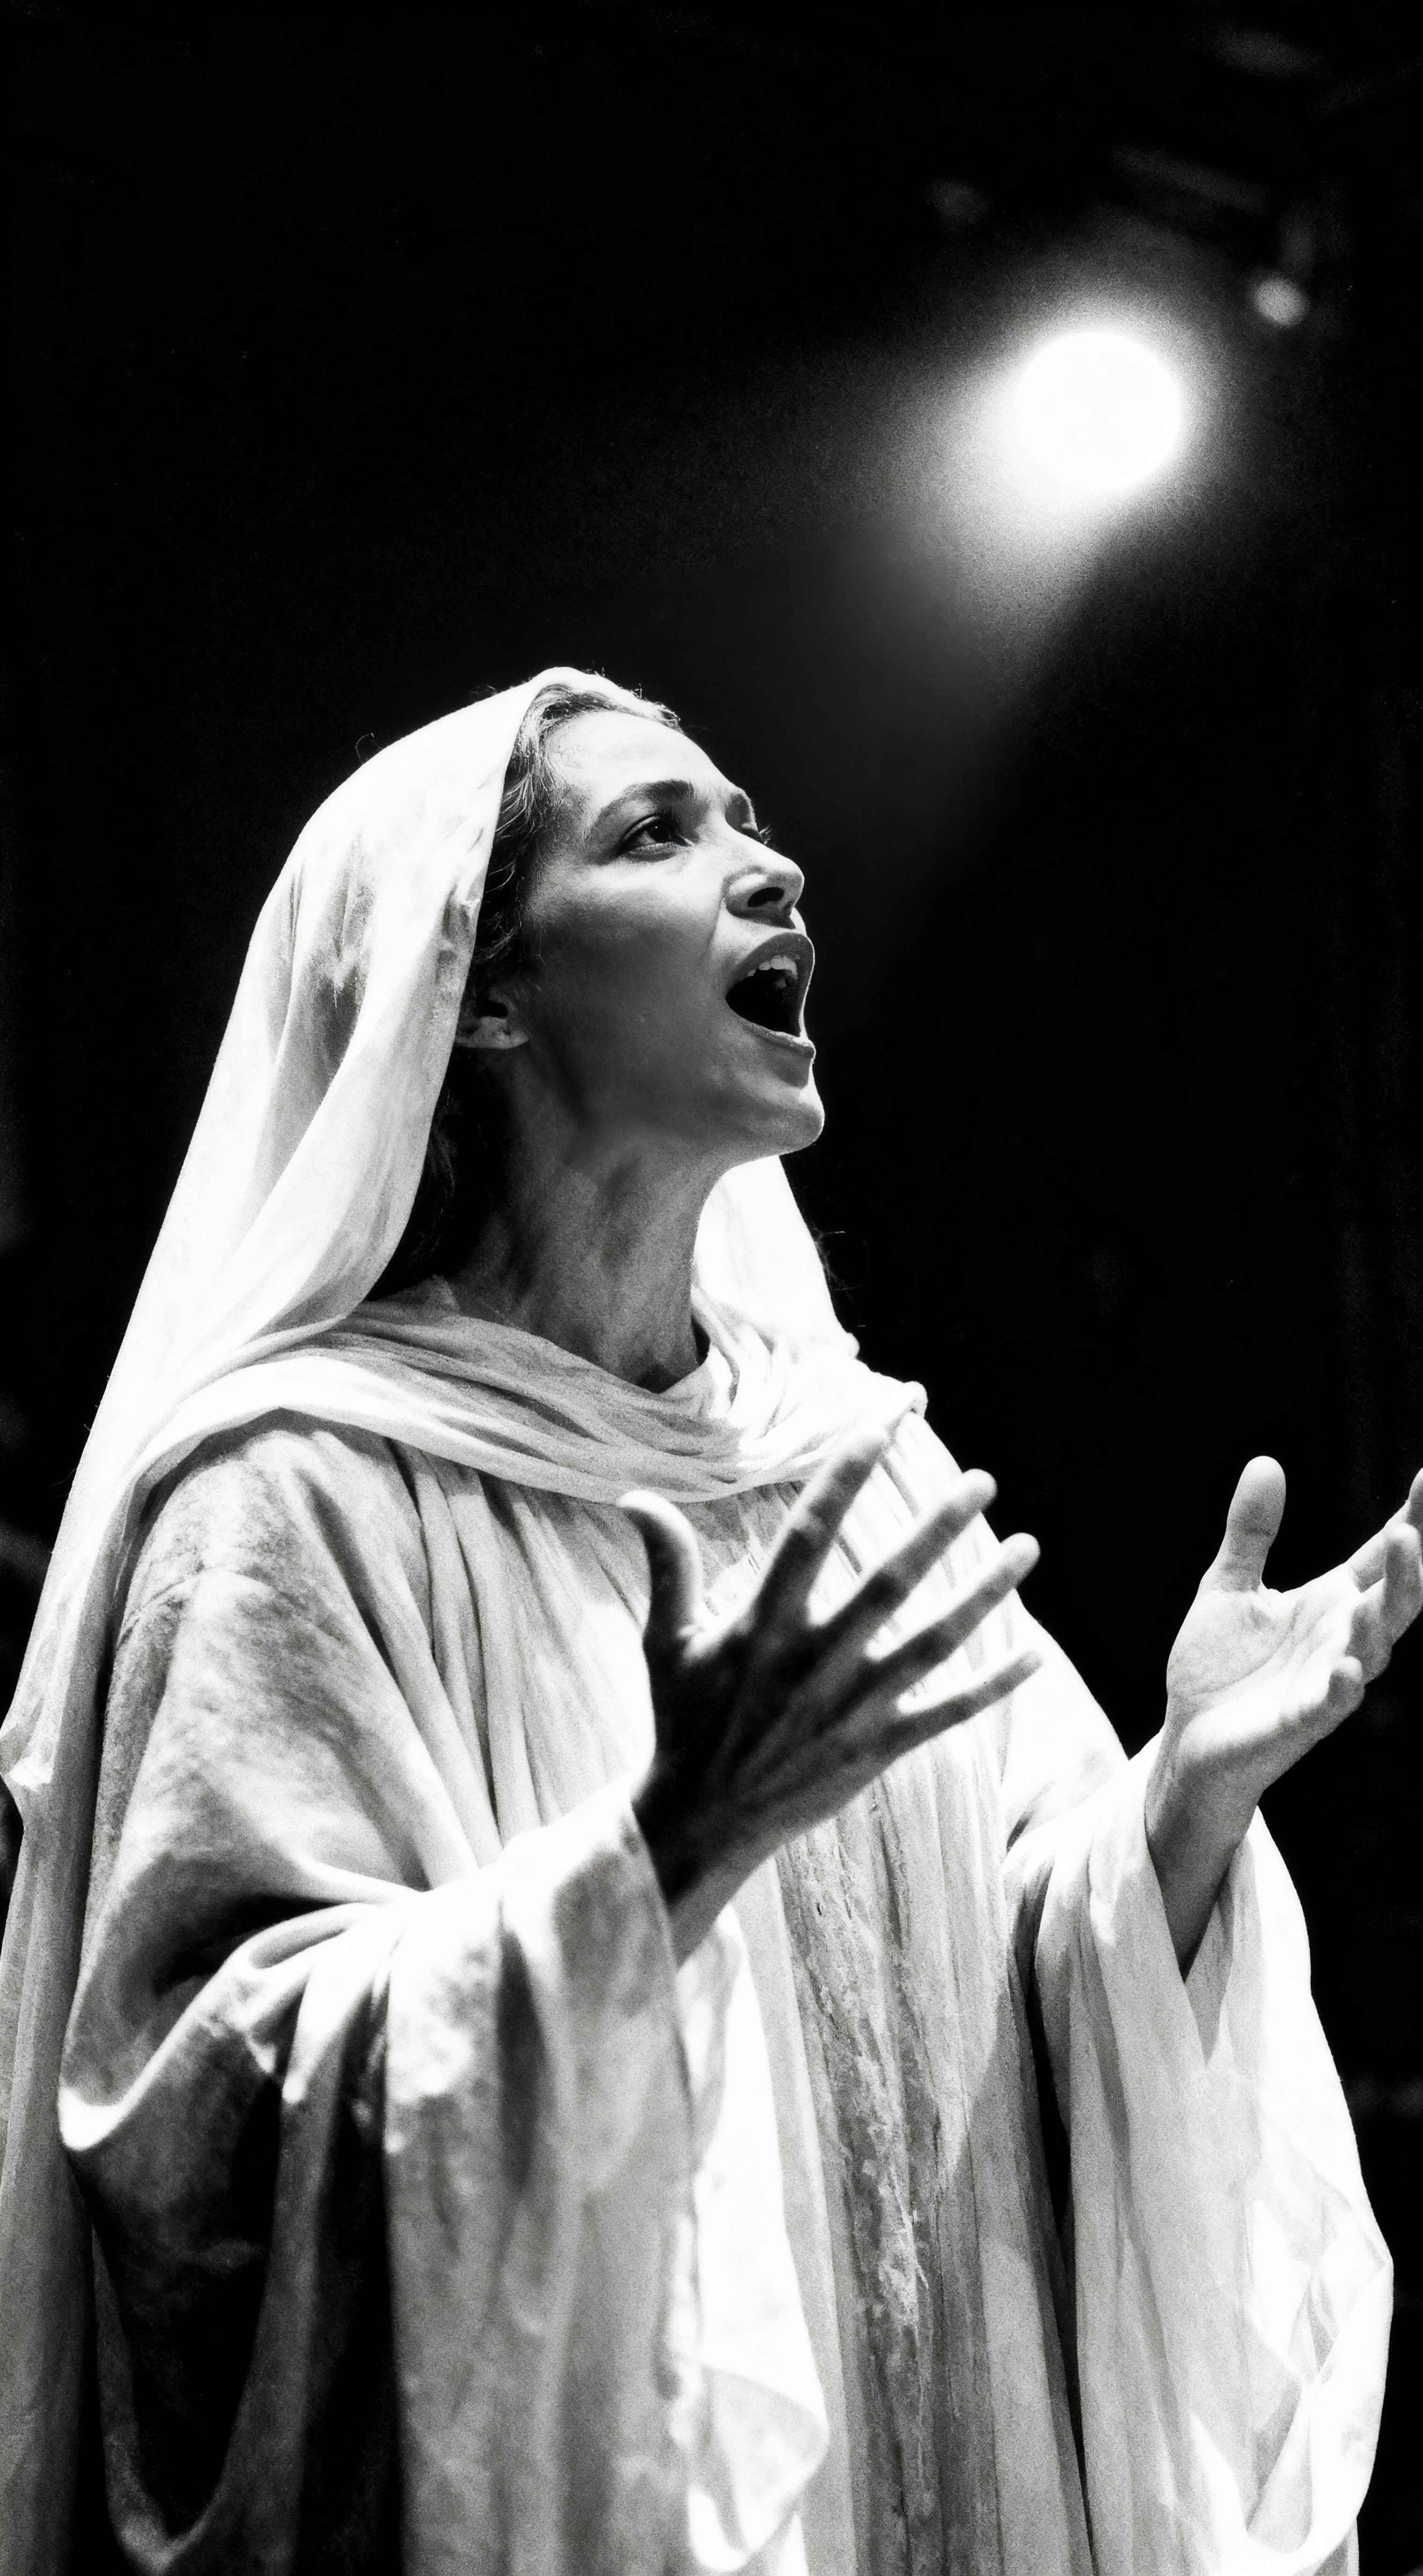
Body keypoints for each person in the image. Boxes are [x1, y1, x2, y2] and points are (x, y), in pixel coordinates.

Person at [0, 669, 1417, 2576]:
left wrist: (1178, 1806)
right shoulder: (293, 1494)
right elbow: (202, 2140)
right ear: (475, 986)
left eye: (749, 816)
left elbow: (1005, 1990)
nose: (774, 869)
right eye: (657, 831)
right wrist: (647, 1866)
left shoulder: (848, 1472)